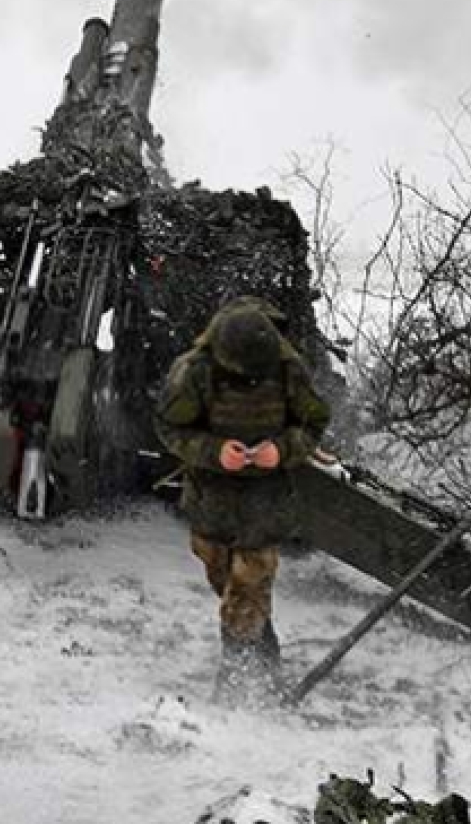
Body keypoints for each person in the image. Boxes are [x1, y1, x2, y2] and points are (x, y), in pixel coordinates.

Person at [156, 299, 330, 704]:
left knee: (248, 583)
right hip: (211, 494)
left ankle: (239, 675)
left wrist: (283, 449)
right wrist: (214, 450)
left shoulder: (290, 369)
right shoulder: (194, 371)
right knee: (221, 573)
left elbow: (315, 422)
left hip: (266, 496)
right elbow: (168, 427)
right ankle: (261, 644)